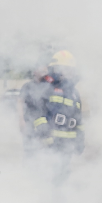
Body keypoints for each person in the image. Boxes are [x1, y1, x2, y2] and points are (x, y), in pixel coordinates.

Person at [30, 50, 85, 184]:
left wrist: (80, 140)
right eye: (65, 68)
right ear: (56, 69)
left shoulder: (74, 92)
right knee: (47, 177)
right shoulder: (46, 86)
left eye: (70, 69)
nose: (69, 72)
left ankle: (59, 202)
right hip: (49, 143)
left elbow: (78, 118)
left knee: (62, 177)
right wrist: (44, 134)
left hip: (66, 146)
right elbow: (37, 111)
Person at [17, 65, 54, 158]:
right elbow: (20, 102)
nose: (44, 72)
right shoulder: (27, 86)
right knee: (29, 149)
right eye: (42, 70)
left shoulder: (49, 87)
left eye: (45, 71)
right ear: (35, 72)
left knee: (45, 149)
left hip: (44, 125)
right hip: (29, 122)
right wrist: (21, 120)